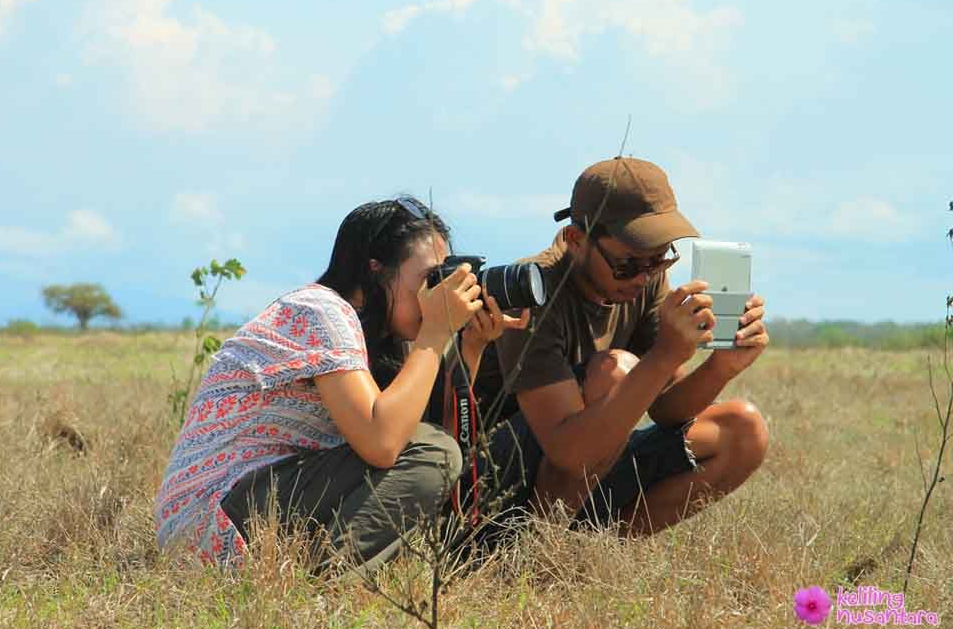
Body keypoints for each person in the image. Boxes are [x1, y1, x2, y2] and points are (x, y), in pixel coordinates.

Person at [154, 196, 526, 572]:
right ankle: (328, 588)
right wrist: (435, 331)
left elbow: (426, 454)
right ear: (376, 270)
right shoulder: (321, 312)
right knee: (434, 452)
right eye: (429, 279)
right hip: (212, 516)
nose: (438, 294)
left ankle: (321, 577)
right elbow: (384, 444)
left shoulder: (376, 334)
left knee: (436, 450)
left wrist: (471, 347)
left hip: (239, 507)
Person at [468, 156, 770, 541]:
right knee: (616, 372)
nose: (645, 275)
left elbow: (666, 410)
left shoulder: (642, 283)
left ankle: (590, 554)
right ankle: (531, 556)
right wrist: (664, 355)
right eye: (629, 262)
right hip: (490, 488)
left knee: (743, 430)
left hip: (588, 460)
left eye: (658, 258)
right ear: (577, 241)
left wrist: (721, 367)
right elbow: (567, 451)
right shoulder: (530, 292)